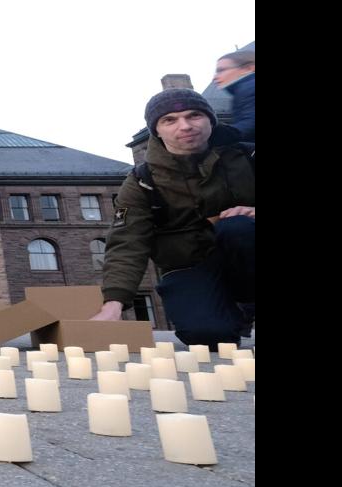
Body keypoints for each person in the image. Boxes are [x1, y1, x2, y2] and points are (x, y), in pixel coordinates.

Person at [95, 89, 255, 347]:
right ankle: (229, 313)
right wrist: (113, 304)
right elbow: (127, 242)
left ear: (210, 121)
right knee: (207, 337)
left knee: (237, 228)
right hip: (189, 265)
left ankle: (247, 301)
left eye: (194, 115)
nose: (186, 126)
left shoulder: (249, 157)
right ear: (156, 130)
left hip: (245, 253)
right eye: (170, 120)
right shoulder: (142, 182)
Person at [212, 44, 255, 143]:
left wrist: (215, 135)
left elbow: (250, 124)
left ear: (248, 68)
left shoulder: (250, 88)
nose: (215, 77)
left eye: (221, 70)